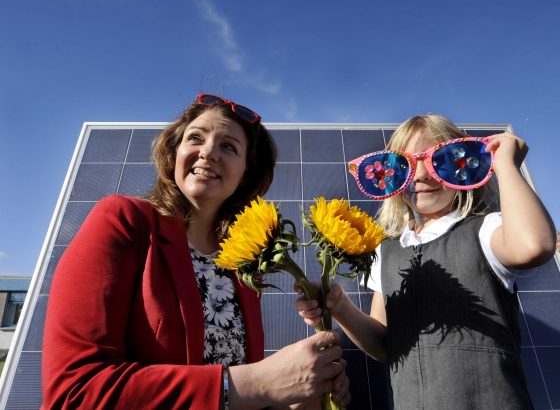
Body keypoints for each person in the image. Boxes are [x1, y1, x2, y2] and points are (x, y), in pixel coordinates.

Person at [42, 94, 350, 410]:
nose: (208, 152)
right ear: (174, 152)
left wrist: (298, 395)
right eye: (195, 138)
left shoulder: (241, 266)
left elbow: (235, 396)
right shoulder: (124, 221)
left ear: (246, 173)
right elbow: (74, 392)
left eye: (228, 147)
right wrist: (261, 381)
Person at [296, 114, 557, 409]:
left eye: (441, 160)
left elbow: (535, 245)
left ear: (469, 164)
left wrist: (506, 165)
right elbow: (383, 344)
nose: (421, 175)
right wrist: (339, 305)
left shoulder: (486, 231)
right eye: (403, 166)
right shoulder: (386, 252)